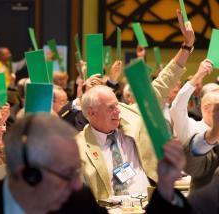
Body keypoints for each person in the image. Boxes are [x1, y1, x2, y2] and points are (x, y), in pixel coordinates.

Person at [0, 114, 191, 213]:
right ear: (28, 174)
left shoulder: (78, 203)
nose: (75, 183)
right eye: (66, 174)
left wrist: (166, 186)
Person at [76, 9, 195, 200]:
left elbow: (162, 84)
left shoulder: (131, 114)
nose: (118, 110)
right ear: (91, 113)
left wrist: (187, 45)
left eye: (117, 104)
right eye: (110, 108)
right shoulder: (79, 147)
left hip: (148, 203)